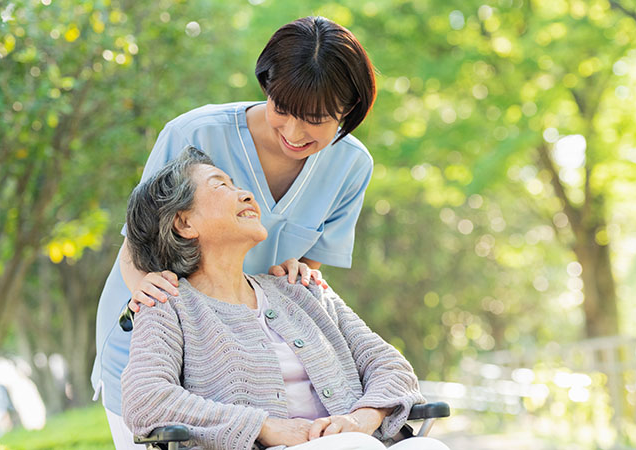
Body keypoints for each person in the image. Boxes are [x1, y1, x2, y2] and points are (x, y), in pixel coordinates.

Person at [92, 16, 380, 448]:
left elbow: (305, 264)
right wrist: (155, 303)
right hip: (156, 344)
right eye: (282, 108)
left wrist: (297, 275)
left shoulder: (351, 166)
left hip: (248, 363)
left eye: (316, 119)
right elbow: (140, 237)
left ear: (349, 109)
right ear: (266, 85)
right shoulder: (196, 133)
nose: (294, 133)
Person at [121, 148, 449, 450]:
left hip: (360, 442)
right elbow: (145, 398)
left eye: (236, 184)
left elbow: (390, 365)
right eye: (220, 185)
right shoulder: (168, 304)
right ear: (185, 222)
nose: (246, 194)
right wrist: (262, 427)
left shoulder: (299, 288)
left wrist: (361, 419)